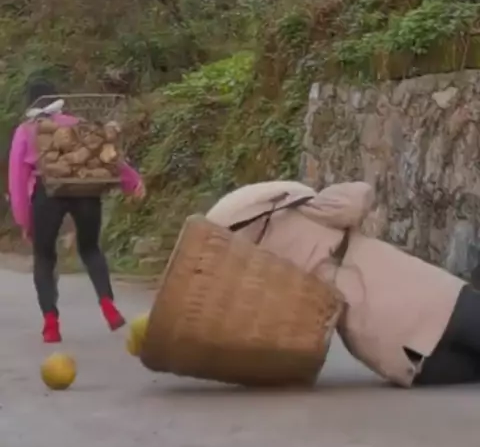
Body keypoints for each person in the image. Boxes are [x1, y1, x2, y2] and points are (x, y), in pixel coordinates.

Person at [206, 179, 480, 387]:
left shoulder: (255, 276)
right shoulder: (296, 213)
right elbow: (359, 196)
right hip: (425, 297)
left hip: (393, 352)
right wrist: (305, 200)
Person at [8, 79, 145, 343]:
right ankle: (108, 306)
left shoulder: (25, 131)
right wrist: (132, 181)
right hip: (84, 189)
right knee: (90, 249)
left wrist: (24, 220)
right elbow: (105, 155)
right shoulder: (75, 123)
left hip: (47, 194)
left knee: (44, 257)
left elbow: (17, 179)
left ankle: (51, 324)